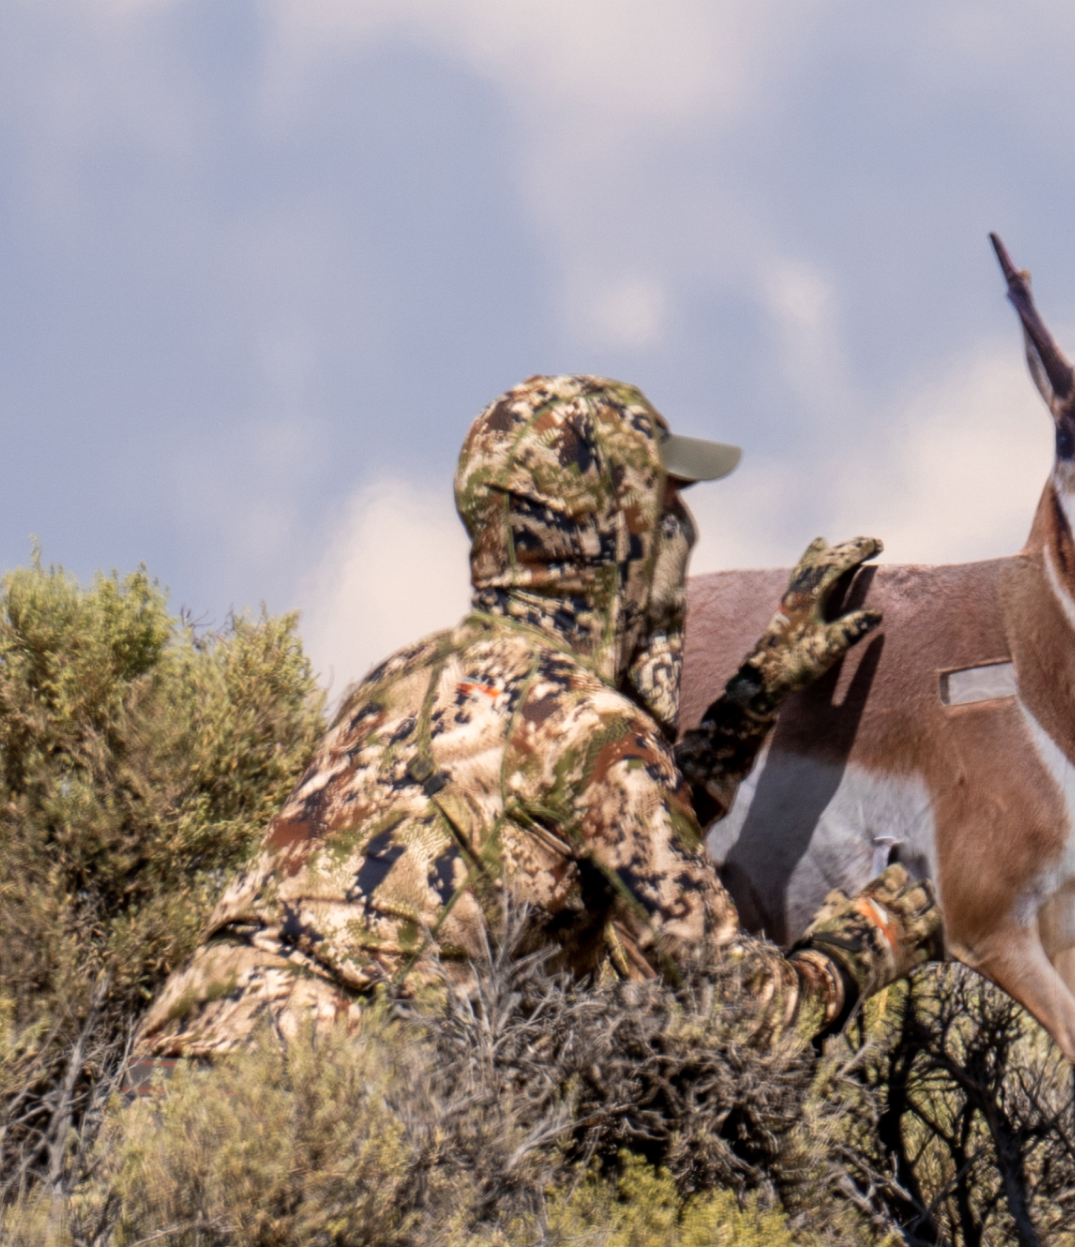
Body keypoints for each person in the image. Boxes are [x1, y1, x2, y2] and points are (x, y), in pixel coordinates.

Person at [133, 373, 938, 1062]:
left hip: (165, 1091)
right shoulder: (593, 732)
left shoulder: (396, 683)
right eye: (661, 511)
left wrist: (757, 690)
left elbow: (578, 846)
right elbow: (743, 1017)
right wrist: (874, 936)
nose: (681, 535)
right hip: (329, 1112)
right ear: (614, 538)